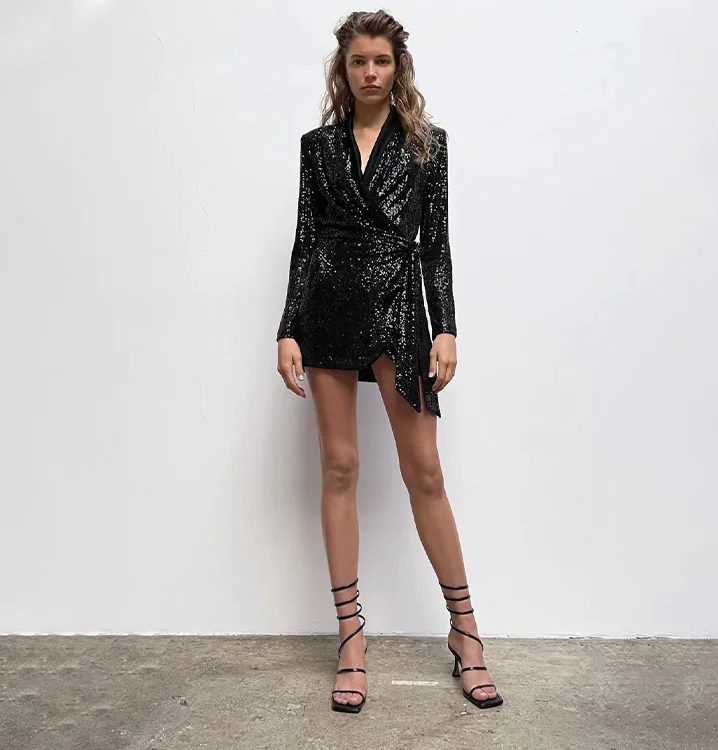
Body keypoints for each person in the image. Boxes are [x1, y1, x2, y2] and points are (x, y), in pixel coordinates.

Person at [275, 9, 503, 714]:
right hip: (329, 306)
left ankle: (466, 631)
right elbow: (305, 239)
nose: (369, 73)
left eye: (380, 61)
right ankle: (351, 638)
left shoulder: (427, 144)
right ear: (341, 70)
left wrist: (447, 328)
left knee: (424, 470)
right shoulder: (317, 148)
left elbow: (436, 244)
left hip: (401, 309)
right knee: (340, 465)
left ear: (397, 66)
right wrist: (288, 328)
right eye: (357, 62)